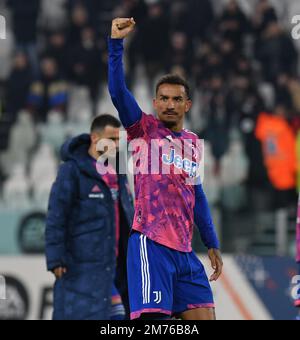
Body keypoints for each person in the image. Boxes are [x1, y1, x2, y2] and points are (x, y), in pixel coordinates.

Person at [108, 18, 223, 320]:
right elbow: (118, 92)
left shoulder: (193, 144)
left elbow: (197, 196)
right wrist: (116, 45)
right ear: (155, 102)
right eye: (164, 99)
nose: (170, 105)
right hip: (151, 243)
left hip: (185, 252)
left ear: (188, 105)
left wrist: (211, 242)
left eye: (177, 99)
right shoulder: (142, 129)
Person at [45, 114, 134, 320]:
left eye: (118, 140)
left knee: (120, 315)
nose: (116, 145)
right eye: (111, 139)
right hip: (82, 263)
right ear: (95, 138)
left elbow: (127, 214)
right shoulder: (72, 170)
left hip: (116, 264)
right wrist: (56, 257)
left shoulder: (118, 172)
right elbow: (57, 214)